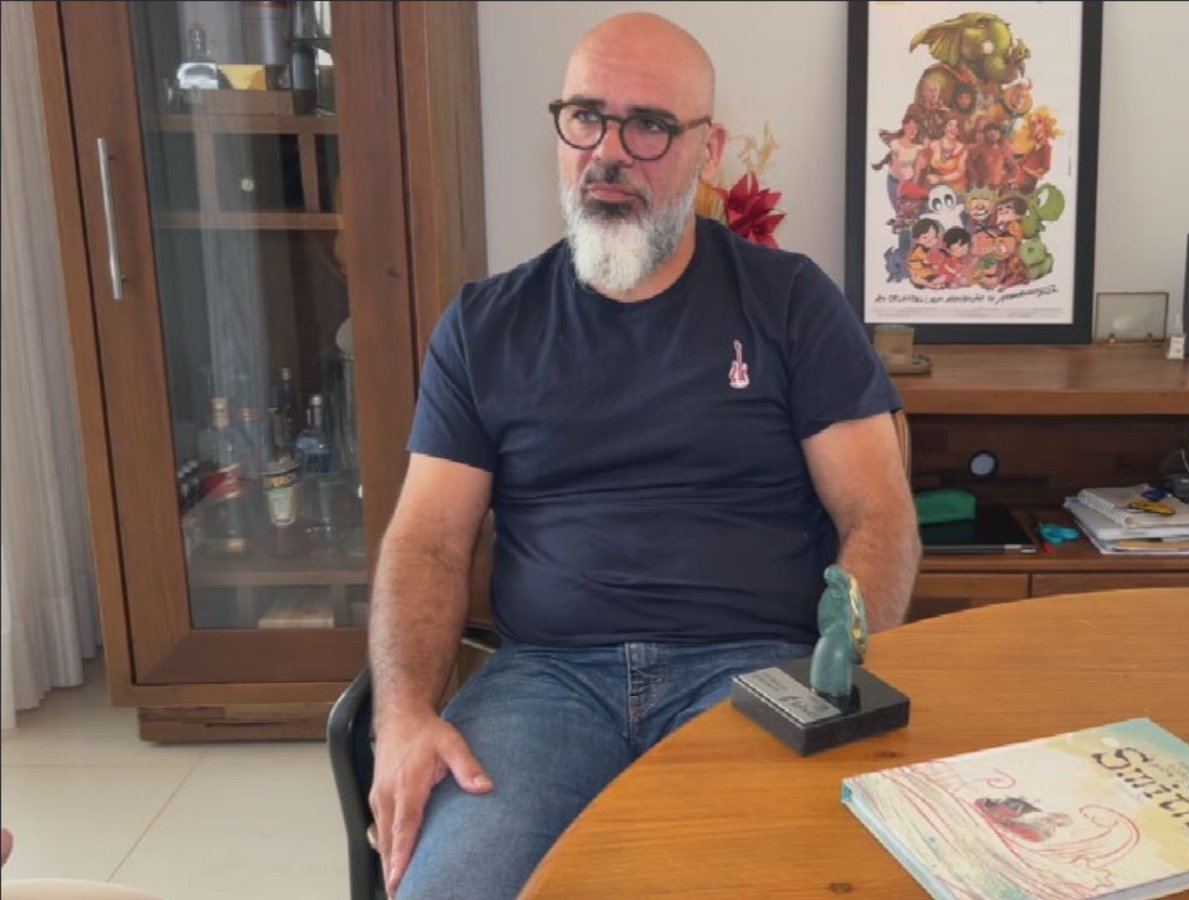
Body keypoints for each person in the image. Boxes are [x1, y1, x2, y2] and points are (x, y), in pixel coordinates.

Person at [365, 12, 921, 900]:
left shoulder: (790, 302)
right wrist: (402, 717)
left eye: (650, 126)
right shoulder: (483, 326)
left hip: (756, 674)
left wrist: (837, 675)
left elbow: (879, 512)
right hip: (544, 682)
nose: (609, 152)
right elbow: (427, 540)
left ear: (709, 150)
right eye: (586, 117)